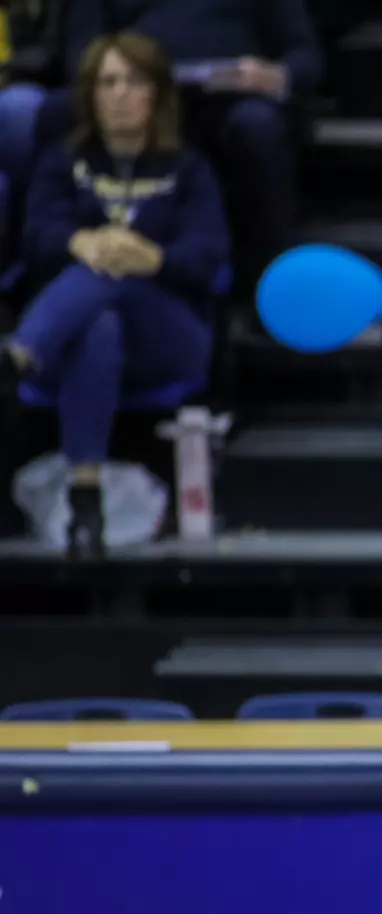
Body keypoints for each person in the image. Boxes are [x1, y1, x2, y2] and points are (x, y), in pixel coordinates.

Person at [0, 31, 228, 559]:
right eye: (108, 82)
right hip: (76, 338)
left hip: (169, 335)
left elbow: (207, 257)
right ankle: (86, 502)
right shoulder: (62, 163)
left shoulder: (189, 170)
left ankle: (16, 357)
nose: (120, 94)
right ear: (90, 95)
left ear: (157, 95)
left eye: (134, 81)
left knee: (111, 269)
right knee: (97, 323)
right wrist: (81, 241)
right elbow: (35, 238)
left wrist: (150, 258)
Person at [47, 0, 323, 288]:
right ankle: (60, 271)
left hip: (227, 102)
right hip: (132, 89)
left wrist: (277, 76)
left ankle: (274, 287)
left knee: (257, 125)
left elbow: (307, 56)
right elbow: (80, 50)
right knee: (57, 111)